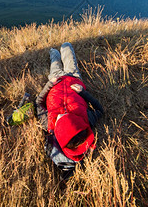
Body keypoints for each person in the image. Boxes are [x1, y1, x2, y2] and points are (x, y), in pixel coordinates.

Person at [36, 42, 104, 179]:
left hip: (56, 78)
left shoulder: (49, 125)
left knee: (54, 57)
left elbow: (38, 103)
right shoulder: (86, 120)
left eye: (62, 117)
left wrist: (50, 84)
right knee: (66, 47)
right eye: (69, 116)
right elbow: (100, 109)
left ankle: (51, 50)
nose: (63, 114)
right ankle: (60, 47)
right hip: (74, 77)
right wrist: (83, 93)